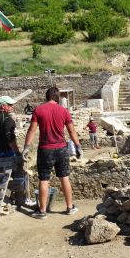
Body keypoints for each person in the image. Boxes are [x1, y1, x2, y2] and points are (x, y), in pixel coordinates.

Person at [23, 87, 82, 219]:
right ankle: (70, 207)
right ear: (58, 97)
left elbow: (31, 130)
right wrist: (78, 146)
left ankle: (42, 211)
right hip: (61, 149)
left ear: (46, 96)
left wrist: (26, 147)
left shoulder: (39, 110)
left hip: (45, 150)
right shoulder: (64, 111)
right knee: (64, 178)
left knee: (44, 180)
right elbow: (72, 131)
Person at [0, 96, 35, 207]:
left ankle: (8, 196)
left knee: (2, 174)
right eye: (10, 105)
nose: (12, 107)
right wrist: (18, 153)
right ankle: (22, 199)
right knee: (21, 173)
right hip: (5, 154)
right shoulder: (8, 120)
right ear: (3, 106)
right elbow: (10, 140)